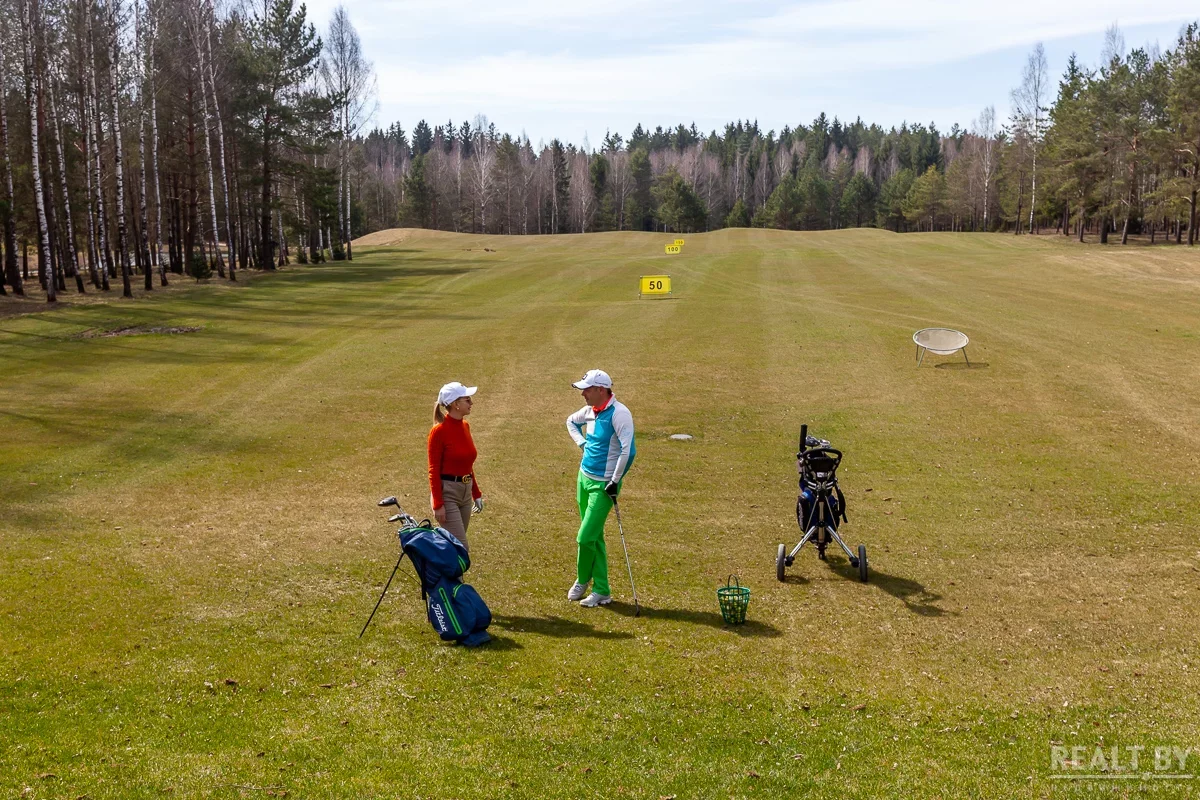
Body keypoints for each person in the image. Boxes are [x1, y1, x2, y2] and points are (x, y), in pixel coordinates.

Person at [564, 369, 636, 607]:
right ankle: (602, 590)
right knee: (594, 536)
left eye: (587, 389)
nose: (583, 393)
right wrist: (582, 443)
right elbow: (570, 422)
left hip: (604, 486)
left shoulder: (619, 413)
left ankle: (583, 579)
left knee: (585, 538)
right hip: (583, 479)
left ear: (600, 390)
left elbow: (628, 451)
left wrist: (615, 481)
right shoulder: (590, 411)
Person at [428, 382, 485, 550]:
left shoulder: (465, 426)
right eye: (467, 400)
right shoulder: (439, 432)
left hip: (465, 493)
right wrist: (438, 504)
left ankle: (444, 577)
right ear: (455, 404)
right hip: (448, 495)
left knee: (452, 547)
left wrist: (476, 493)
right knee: (461, 548)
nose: (471, 403)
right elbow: (433, 470)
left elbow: (466, 464)